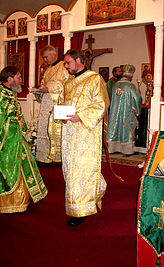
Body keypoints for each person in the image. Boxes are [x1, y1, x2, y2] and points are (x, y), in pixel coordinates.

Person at [62, 49, 110, 226]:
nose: (66, 67)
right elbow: (64, 103)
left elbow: (100, 105)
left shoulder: (94, 79)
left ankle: (81, 210)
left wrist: (80, 116)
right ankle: (87, 196)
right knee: (69, 169)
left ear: (78, 60)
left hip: (86, 132)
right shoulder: (68, 82)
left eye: (68, 63)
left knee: (81, 170)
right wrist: (59, 112)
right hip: (69, 133)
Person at [0, 66, 48, 213]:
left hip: (16, 140)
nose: (21, 81)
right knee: (11, 171)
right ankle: (9, 204)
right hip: (7, 144)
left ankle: (21, 201)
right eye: (18, 78)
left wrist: (22, 129)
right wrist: (16, 123)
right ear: (9, 79)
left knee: (23, 167)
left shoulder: (10, 93)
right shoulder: (0, 96)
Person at [35, 45, 69, 164]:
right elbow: (44, 83)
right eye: (43, 58)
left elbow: (67, 84)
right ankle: (44, 157)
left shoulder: (64, 67)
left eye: (46, 57)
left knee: (55, 129)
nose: (44, 60)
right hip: (46, 102)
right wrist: (39, 90)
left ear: (53, 55)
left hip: (56, 102)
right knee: (44, 128)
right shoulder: (48, 69)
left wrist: (49, 89)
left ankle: (58, 157)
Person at [106, 64, 142, 156]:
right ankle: (127, 150)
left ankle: (112, 149)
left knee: (115, 127)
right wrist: (137, 110)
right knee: (126, 129)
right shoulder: (130, 86)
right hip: (127, 111)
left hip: (114, 112)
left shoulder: (115, 85)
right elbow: (137, 98)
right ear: (130, 76)